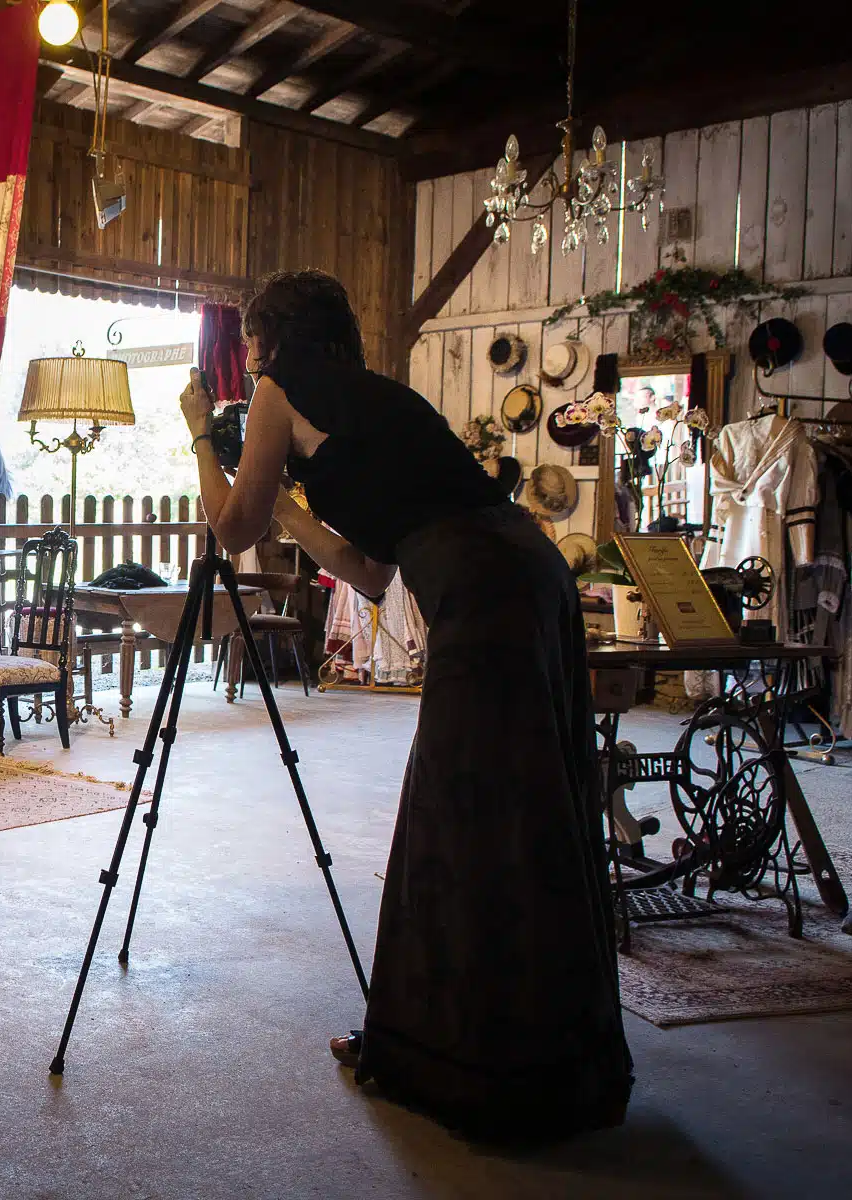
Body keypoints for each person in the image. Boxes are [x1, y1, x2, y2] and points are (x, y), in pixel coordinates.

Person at [179, 269, 630, 1141]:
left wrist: (202, 435)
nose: (252, 357)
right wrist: (293, 513)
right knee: (532, 802)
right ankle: (545, 1054)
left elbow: (229, 529)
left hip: (483, 592)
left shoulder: (279, 387)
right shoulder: (375, 400)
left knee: (462, 812)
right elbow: (371, 572)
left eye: (253, 341)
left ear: (269, 340)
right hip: (529, 573)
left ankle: (469, 1066)